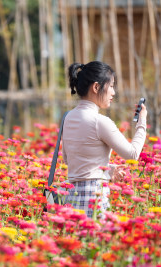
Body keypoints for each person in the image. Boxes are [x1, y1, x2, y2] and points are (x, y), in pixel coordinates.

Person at [62, 61, 147, 219]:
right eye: (112, 86)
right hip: (94, 197)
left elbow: (69, 160)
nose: (114, 92)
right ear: (96, 87)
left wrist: (108, 169)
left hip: (71, 197)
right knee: (95, 240)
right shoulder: (99, 121)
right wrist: (142, 122)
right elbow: (133, 154)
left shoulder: (68, 118)